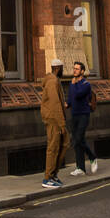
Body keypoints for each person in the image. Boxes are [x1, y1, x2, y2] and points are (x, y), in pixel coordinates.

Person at [40, 58, 69, 189]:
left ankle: (53, 174)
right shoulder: (52, 82)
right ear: (57, 68)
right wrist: (62, 124)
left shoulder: (55, 80)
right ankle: (47, 178)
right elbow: (55, 104)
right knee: (53, 148)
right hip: (54, 119)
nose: (63, 70)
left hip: (55, 118)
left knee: (64, 143)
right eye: (62, 68)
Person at [68, 60, 98, 176]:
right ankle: (80, 168)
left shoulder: (86, 85)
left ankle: (92, 157)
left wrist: (74, 84)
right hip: (74, 114)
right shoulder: (72, 83)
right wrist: (66, 104)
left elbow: (77, 94)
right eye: (74, 68)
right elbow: (71, 98)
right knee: (77, 141)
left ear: (82, 71)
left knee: (78, 139)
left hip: (83, 115)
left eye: (77, 69)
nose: (74, 70)